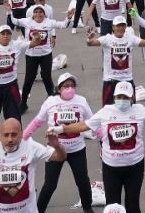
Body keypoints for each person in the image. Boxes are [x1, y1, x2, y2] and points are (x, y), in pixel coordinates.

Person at [53, 80, 145, 213]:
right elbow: (83, 125)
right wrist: (61, 129)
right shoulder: (106, 111)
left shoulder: (140, 110)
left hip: (135, 167)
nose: (122, 100)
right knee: (113, 207)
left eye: (125, 97)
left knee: (133, 206)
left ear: (132, 98)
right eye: (119, 97)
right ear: (114, 97)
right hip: (111, 168)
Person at [23, 72, 96, 213]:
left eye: (72, 86)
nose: (69, 89)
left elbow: (93, 122)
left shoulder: (81, 101)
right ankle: (39, 210)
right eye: (66, 86)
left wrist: (103, 137)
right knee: (50, 184)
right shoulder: (50, 102)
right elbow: (37, 122)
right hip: (54, 151)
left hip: (77, 150)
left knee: (82, 181)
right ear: (59, 89)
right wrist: (23, 137)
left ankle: (87, 207)